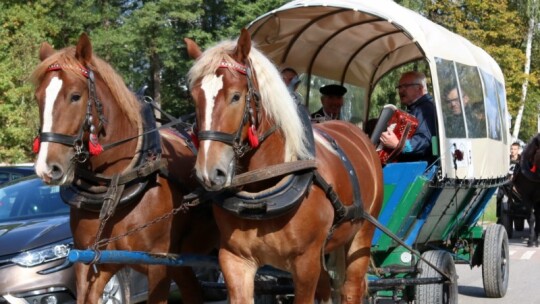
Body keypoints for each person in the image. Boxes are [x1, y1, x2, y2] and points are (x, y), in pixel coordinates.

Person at [379, 71, 437, 162]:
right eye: (399, 87)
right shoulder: (415, 108)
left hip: (420, 169)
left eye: (405, 86)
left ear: (420, 88)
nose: (401, 90)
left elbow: (424, 140)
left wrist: (399, 144)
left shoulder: (426, 108)